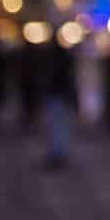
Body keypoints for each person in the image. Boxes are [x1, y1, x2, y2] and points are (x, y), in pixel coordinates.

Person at [39, 37, 77, 171]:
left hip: (56, 95)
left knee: (55, 126)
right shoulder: (65, 59)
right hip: (60, 96)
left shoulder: (51, 61)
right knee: (59, 126)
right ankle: (58, 152)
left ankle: (57, 153)